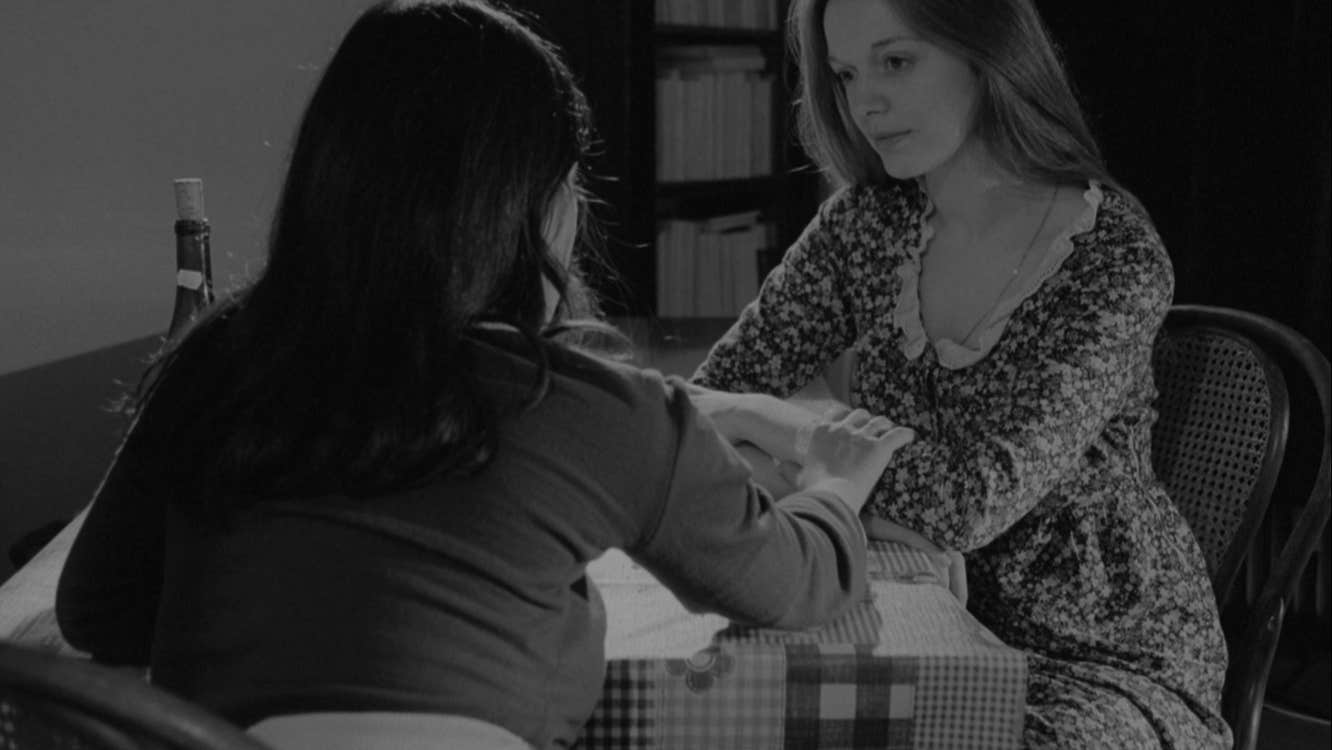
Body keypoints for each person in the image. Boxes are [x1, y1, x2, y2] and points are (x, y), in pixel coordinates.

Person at [54, 1, 917, 748]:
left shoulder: (217, 360)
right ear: (544, 204)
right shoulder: (598, 413)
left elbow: (96, 613)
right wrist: (836, 487)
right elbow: (793, 586)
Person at [685, 0, 1232, 747]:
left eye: (897, 61)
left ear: (987, 54)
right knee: (722, 716)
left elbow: (973, 502)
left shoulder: (1113, 256)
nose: (866, 100)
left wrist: (772, 426)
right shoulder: (866, 226)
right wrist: (838, 486)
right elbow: (698, 413)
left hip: (1097, 659)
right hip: (908, 612)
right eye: (845, 74)